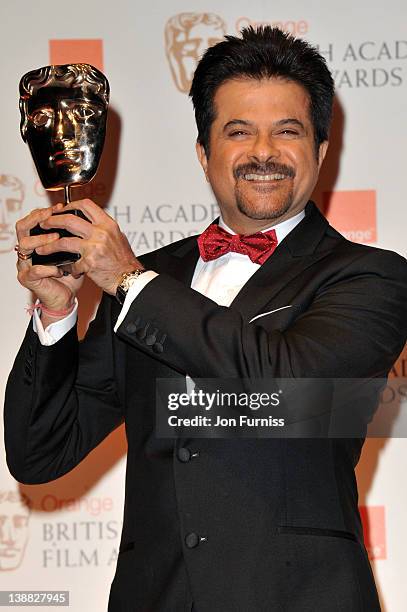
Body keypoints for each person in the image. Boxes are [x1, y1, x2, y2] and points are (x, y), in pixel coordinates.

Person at [5, 26, 407, 611]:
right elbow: (40, 452)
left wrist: (128, 281)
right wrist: (57, 310)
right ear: (204, 152)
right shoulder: (149, 280)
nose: (263, 152)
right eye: (238, 131)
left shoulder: (369, 276)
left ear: (322, 150)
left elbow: (290, 386)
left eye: (287, 131)